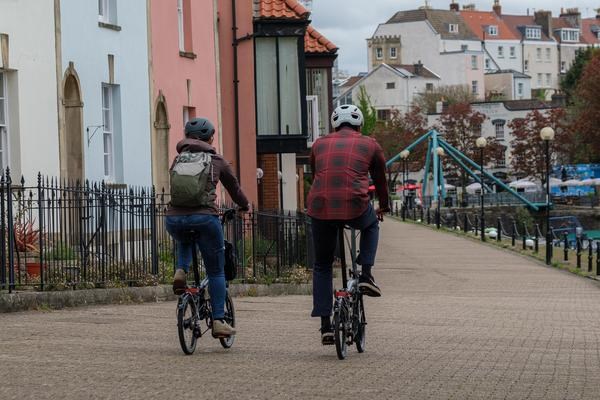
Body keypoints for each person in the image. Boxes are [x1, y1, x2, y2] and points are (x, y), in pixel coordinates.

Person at [307, 104, 390, 345]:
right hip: (354, 204)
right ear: (359, 125)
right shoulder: (370, 144)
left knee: (322, 265)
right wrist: (383, 207)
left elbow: (317, 174)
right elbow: (381, 180)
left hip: (321, 206)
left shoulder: (319, 144)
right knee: (371, 225)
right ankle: (365, 274)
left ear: (334, 125)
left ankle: (325, 326)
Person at [165, 117, 249, 338]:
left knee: (184, 237)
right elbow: (235, 189)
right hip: (204, 219)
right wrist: (244, 206)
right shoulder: (216, 160)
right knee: (216, 271)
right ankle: (219, 321)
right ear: (210, 137)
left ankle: (181, 270)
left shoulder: (177, 160)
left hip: (173, 219)